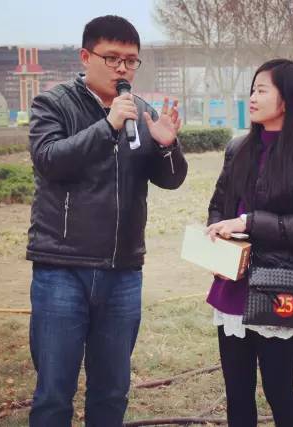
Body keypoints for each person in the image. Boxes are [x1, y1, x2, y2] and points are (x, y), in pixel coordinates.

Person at [26, 15, 187, 427]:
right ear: (86, 57)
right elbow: (49, 160)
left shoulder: (142, 111)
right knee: (54, 393)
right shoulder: (53, 103)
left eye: (131, 61)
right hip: (62, 268)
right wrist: (108, 125)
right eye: (112, 58)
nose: (122, 69)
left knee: (112, 391)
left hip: (123, 271)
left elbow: (171, 180)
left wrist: (167, 147)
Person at [205, 59, 293, 427]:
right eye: (252, 89)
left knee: (279, 392)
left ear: (287, 100)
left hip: (279, 289)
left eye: (262, 90)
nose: (252, 97)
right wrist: (217, 238)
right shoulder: (238, 148)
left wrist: (247, 222)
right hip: (233, 284)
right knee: (237, 394)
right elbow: (219, 205)